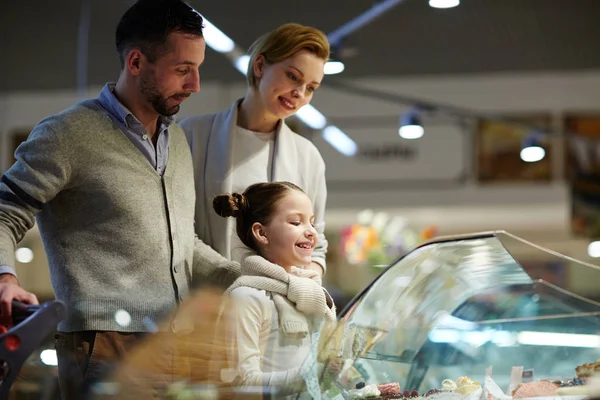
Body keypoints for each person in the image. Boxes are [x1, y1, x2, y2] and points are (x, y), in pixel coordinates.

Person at [0, 0, 238, 398]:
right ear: (136, 62)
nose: (195, 84)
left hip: (177, 340)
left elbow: (183, 246)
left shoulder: (175, 139)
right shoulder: (66, 134)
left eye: (198, 69)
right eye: (182, 70)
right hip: (106, 347)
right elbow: (5, 212)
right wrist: (5, 277)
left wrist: (256, 280)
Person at [179, 23, 330, 277]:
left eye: (311, 88)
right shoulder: (192, 135)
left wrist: (307, 279)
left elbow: (317, 247)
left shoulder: (308, 157)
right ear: (260, 66)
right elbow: (177, 229)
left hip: (276, 307)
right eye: (293, 76)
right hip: (207, 301)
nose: (299, 93)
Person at [211, 182, 336, 398]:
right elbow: (243, 382)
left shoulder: (310, 292)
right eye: (296, 222)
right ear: (261, 232)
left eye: (312, 223)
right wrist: (311, 375)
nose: (311, 232)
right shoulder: (245, 297)